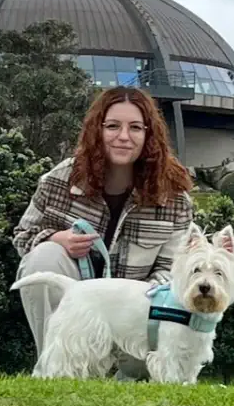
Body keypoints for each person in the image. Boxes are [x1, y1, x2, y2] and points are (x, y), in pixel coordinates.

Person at [12, 86, 195, 379]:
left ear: (150, 135)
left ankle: (128, 374)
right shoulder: (62, 179)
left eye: (135, 127)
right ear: (97, 130)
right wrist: (56, 238)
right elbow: (23, 234)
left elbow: (174, 272)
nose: (123, 136)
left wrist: (121, 300)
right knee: (41, 260)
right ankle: (56, 369)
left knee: (162, 303)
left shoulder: (174, 198)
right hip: (75, 303)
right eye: (113, 126)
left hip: (135, 314)